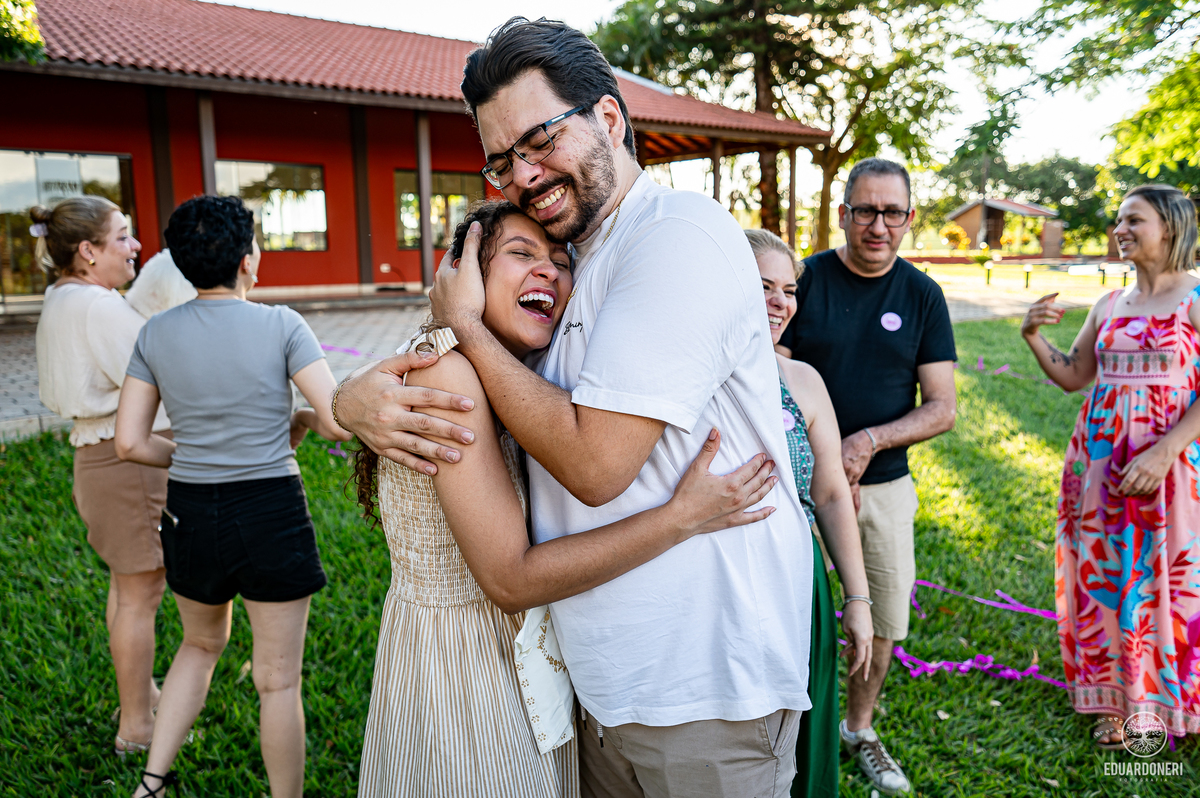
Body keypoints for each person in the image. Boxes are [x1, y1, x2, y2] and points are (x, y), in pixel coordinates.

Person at [336, 17, 814, 797]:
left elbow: (595, 465)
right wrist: (351, 402)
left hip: (699, 689)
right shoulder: (578, 258)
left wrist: (459, 330)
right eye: (500, 163)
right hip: (591, 688)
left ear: (608, 118)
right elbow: (460, 392)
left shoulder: (675, 237)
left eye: (538, 141)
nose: (522, 174)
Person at [353, 200, 778, 797]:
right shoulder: (448, 373)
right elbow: (510, 580)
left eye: (560, 260)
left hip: (513, 652)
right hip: (466, 661)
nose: (550, 272)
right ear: (463, 273)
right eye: (521, 254)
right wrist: (679, 518)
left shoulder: (507, 368)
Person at [114, 195, 351, 798]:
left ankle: (150, 784)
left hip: (190, 512)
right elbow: (339, 421)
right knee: (277, 682)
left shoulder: (155, 332)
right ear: (248, 259)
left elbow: (130, 443)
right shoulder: (281, 325)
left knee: (198, 645)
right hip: (270, 510)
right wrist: (296, 418)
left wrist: (192, 454)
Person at [776, 158, 957, 795]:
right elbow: (775, 377)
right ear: (844, 211)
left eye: (892, 212)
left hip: (882, 489)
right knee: (784, 612)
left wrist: (866, 443)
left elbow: (942, 406)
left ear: (909, 217)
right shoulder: (804, 281)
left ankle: (859, 727)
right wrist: (828, 460)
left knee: (878, 619)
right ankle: (787, 725)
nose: (877, 225)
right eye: (864, 211)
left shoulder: (921, 295)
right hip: (793, 486)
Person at [1021, 184, 1200, 745]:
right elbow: (1076, 374)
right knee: (1107, 579)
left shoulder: (1196, 299)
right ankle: (1121, 702)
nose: (1120, 229)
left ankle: (1176, 703)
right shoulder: (1109, 305)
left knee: (1171, 582)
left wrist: (1165, 448)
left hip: (1172, 470)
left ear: (1168, 227)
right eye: (1119, 221)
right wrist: (1031, 335)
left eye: (1134, 220)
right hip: (1099, 469)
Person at [32, 197, 175, 756]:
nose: (135, 246)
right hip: (126, 464)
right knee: (142, 593)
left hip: (99, 459)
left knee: (128, 586)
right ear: (87, 252)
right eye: (122, 236)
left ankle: (142, 693)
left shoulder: (64, 298)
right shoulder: (98, 307)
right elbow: (155, 374)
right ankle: (136, 725)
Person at [747, 229, 874, 798]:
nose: (780, 303)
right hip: (719, 589)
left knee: (804, 731)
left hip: (800, 587)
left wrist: (858, 598)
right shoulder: (687, 371)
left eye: (789, 290)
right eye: (762, 286)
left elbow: (828, 494)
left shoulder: (802, 380)